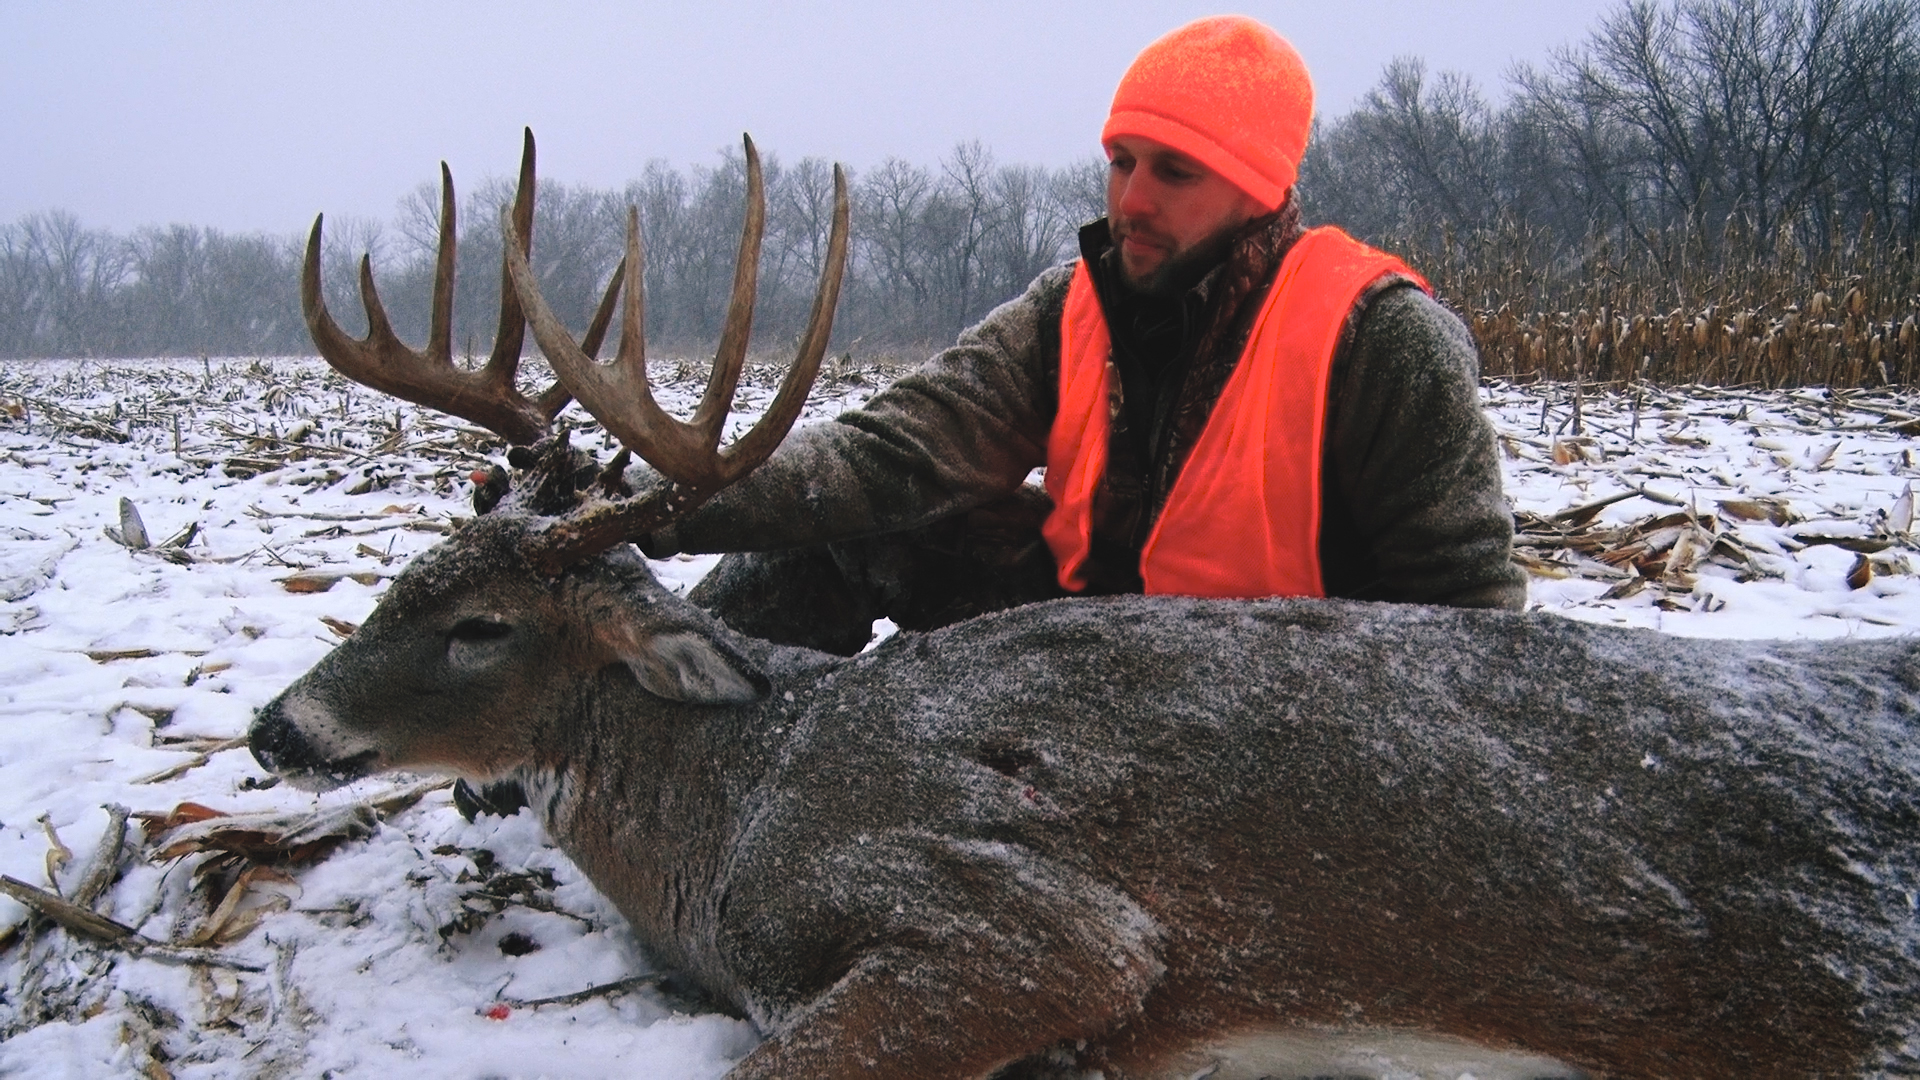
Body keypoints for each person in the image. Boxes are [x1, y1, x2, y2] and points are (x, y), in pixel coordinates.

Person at [642, 14, 1526, 656]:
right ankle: (655, 717)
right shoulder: (1072, 308)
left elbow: (1473, 629)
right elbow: (897, 450)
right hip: (1086, 646)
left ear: (1261, 193)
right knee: (859, 528)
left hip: (1267, 710)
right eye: (1121, 161)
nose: (1131, 201)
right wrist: (655, 504)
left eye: (1175, 173)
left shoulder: (1381, 340)